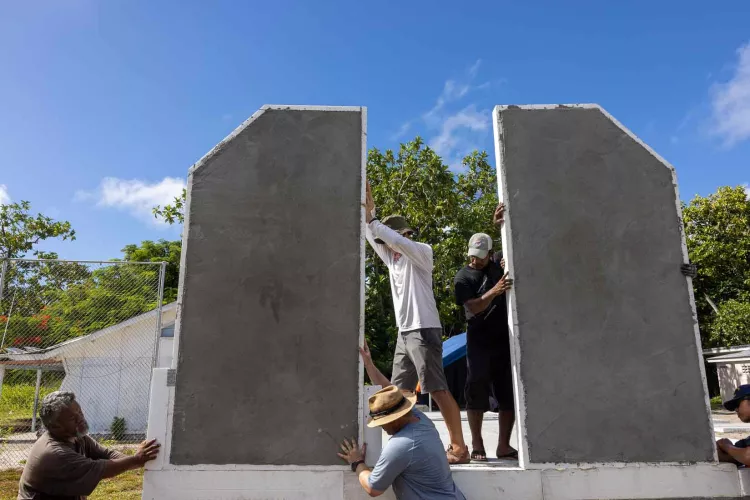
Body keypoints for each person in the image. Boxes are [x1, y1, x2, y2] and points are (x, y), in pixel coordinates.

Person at [364, 181, 469, 464]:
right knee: (400, 393)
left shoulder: (422, 252)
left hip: (424, 329)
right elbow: (373, 236)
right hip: (405, 332)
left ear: (401, 235)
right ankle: (411, 445)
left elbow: (390, 238)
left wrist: (374, 221)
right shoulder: (393, 260)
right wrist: (366, 208)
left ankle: (459, 447)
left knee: (436, 387)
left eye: (392, 237)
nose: (387, 245)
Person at [453, 204, 516, 462]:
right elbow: (474, 306)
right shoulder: (463, 277)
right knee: (475, 391)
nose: (474, 259)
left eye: (480, 255)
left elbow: (511, 244)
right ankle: (477, 443)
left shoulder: (497, 263)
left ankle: (503, 445)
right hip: (478, 342)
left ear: (490, 254)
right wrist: (495, 291)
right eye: (472, 255)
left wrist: (498, 225)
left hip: (504, 341)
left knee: (507, 394)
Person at [18, 391, 160, 500]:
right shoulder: (54, 452)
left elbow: (108, 454)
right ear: (56, 426)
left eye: (79, 412)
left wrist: (137, 459)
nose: (81, 418)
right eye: (73, 418)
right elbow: (101, 469)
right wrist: (136, 459)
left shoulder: (77, 437)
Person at [337, 384, 466, 499]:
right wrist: (369, 364)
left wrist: (357, 462)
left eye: (383, 422)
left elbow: (373, 488)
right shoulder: (420, 420)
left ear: (395, 420)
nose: (381, 426)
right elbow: (391, 395)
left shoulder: (401, 445)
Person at [717, 385, 750, 466]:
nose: (736, 409)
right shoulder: (747, 442)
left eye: (738, 404)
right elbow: (735, 458)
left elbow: (748, 456)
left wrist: (726, 445)